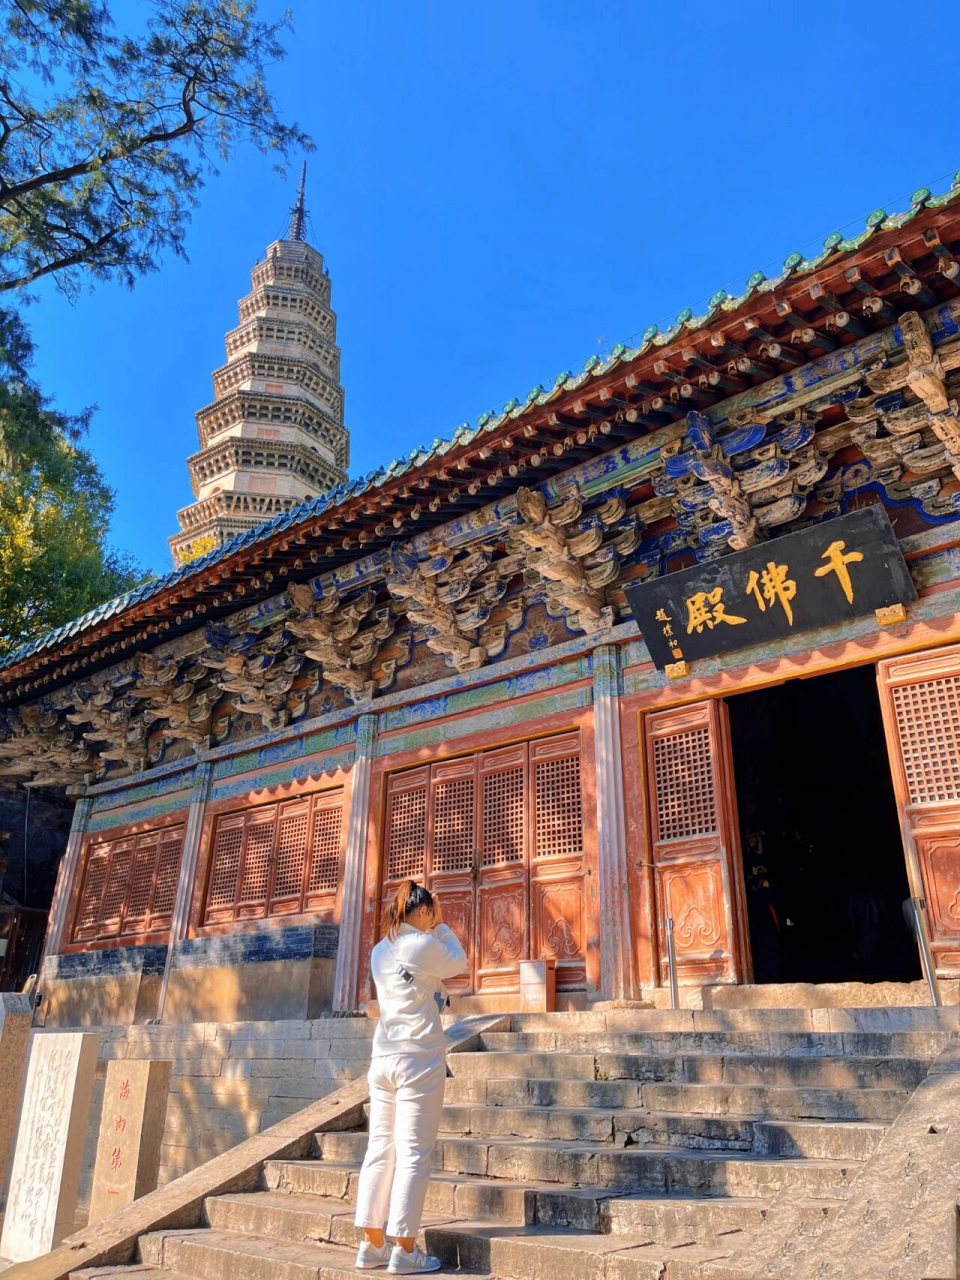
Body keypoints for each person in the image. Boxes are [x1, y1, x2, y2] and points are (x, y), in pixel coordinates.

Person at [354, 880, 467, 1274]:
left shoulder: (379, 950)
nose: (432, 920)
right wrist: (442, 927)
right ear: (422, 913)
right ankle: (404, 1248)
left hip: (383, 1057)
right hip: (417, 1058)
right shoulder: (422, 942)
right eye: (429, 914)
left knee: (380, 1148)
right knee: (414, 1153)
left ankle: (371, 1244)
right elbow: (459, 962)